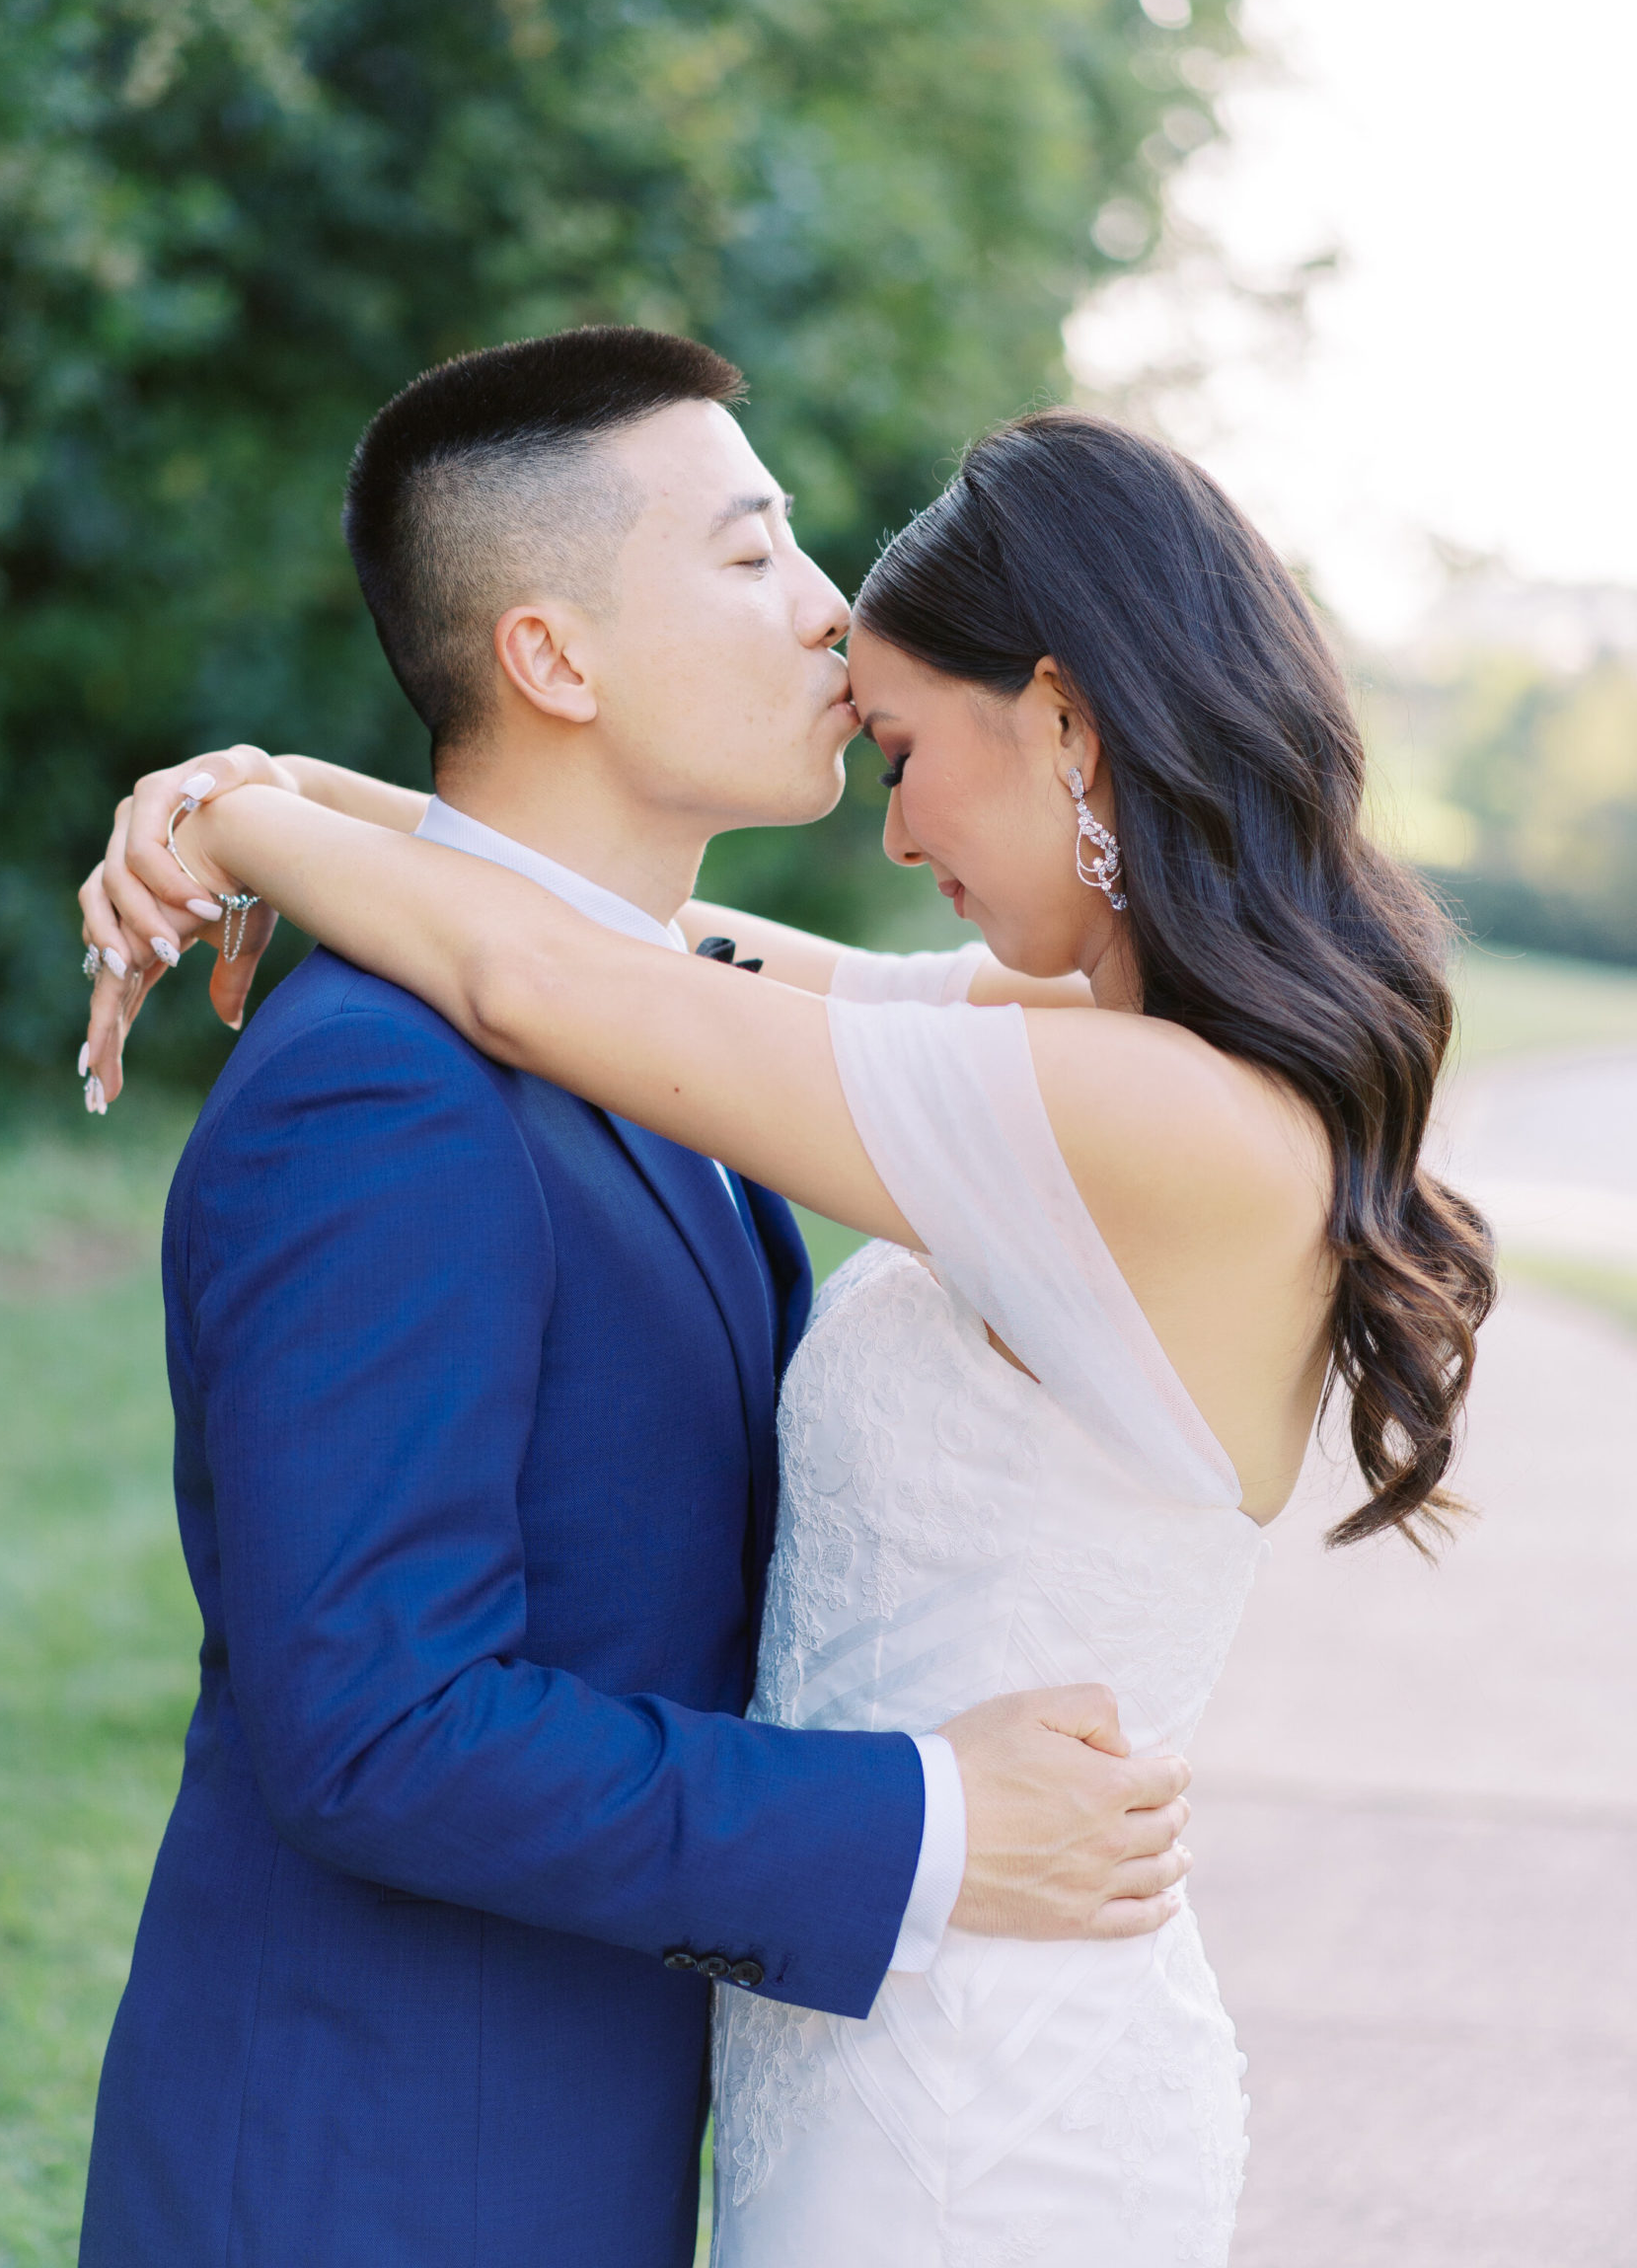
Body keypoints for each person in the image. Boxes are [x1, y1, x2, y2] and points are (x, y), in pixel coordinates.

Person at [86, 396, 1496, 2266]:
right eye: (754, 552)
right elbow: (665, 961)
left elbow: (550, 974)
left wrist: (230, 813)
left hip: (988, 2099)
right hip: (839, 2032)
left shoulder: (1159, 1119)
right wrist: (286, 801)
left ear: (1067, 721)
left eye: (911, 750)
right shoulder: (1070, 1050)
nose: (890, 807)